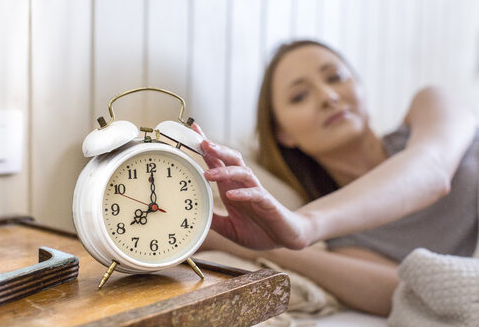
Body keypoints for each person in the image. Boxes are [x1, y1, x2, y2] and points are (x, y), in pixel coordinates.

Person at [193, 40, 478, 316]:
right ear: (284, 134)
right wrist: (238, 241)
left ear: (359, 86)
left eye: (336, 77)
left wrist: (305, 224)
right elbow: (405, 291)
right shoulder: (342, 234)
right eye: (299, 96)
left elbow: (432, 171)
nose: (328, 97)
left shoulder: (430, 105)